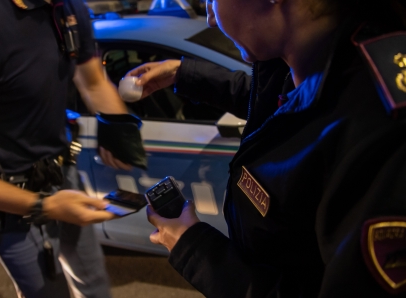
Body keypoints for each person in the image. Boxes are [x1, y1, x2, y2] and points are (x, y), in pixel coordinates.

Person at [127, 0, 406, 296]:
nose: (210, 16)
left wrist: (193, 246)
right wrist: (183, 74)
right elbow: (279, 101)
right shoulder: (326, 55)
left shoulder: (381, 135)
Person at [0, 0, 139, 297]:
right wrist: (43, 206)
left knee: (95, 284)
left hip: (64, 178)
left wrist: (117, 129)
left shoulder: (69, 8)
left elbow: (93, 81)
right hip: (10, 203)